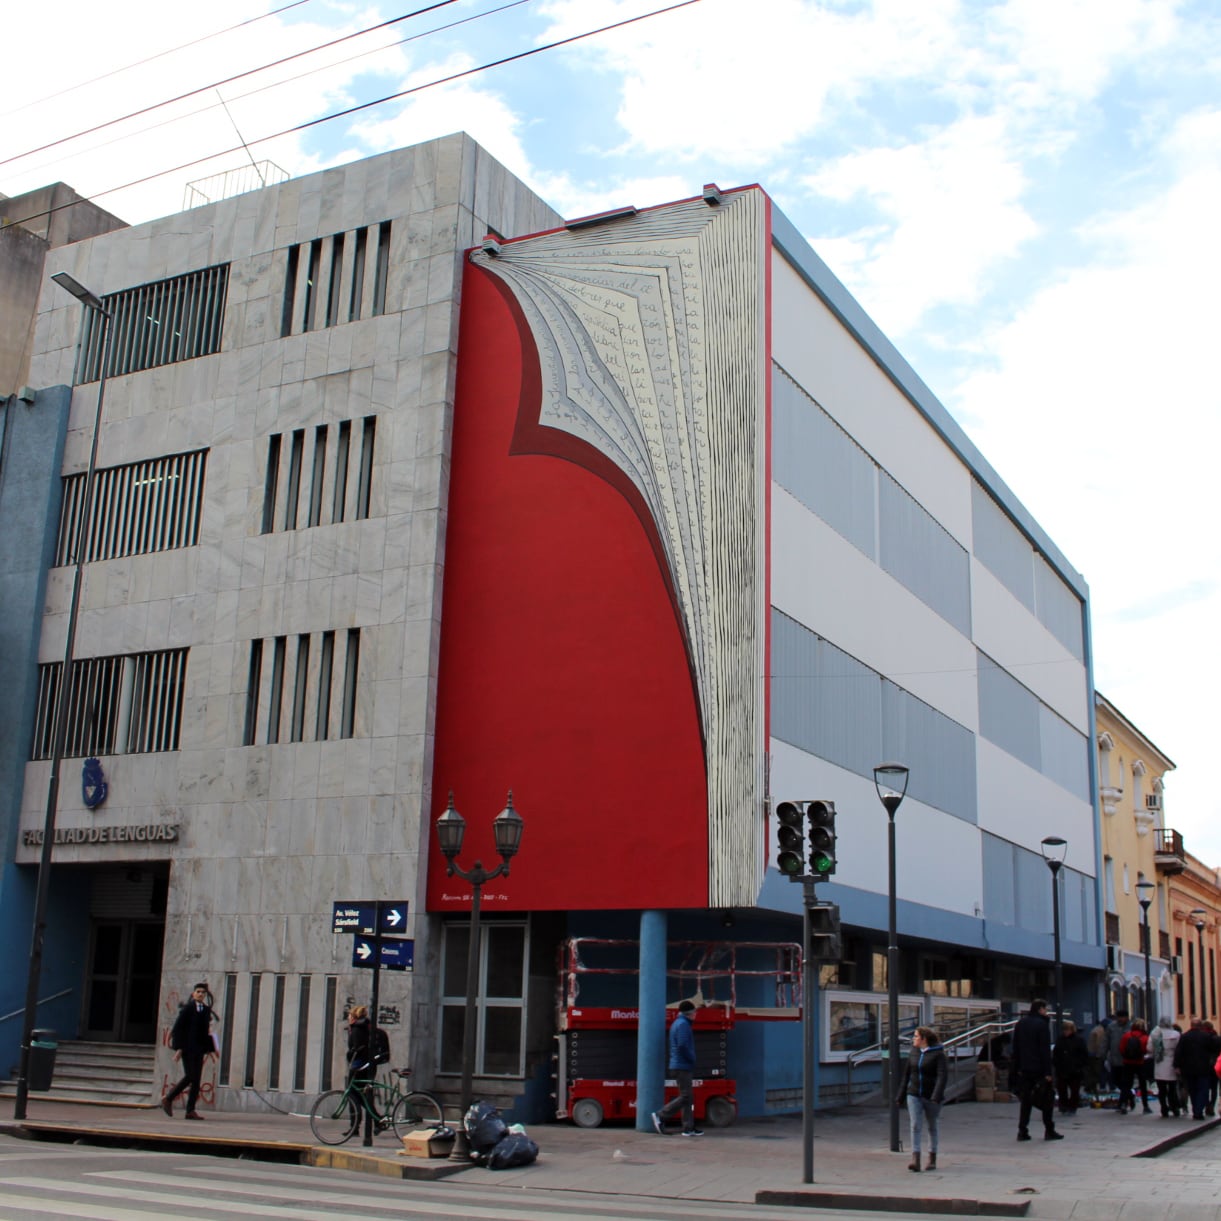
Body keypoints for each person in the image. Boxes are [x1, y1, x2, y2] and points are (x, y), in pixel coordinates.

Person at [162, 982, 217, 1120]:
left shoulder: (205, 1010)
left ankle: (190, 1110)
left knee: (196, 1080)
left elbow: (207, 1031)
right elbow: (178, 1028)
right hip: (187, 1048)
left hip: (199, 1049)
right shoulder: (187, 1009)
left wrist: (211, 1049)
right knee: (190, 1076)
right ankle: (168, 1098)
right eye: (198, 992)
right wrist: (178, 1048)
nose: (200, 994)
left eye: (203, 993)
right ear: (193, 993)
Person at [895, 1026, 947, 1171]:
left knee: (932, 1125)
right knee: (915, 1125)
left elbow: (942, 1076)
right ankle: (915, 1159)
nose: (914, 1039)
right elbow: (907, 1075)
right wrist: (901, 1095)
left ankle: (932, 1158)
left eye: (916, 1036)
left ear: (924, 1039)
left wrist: (936, 1096)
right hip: (914, 1093)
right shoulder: (914, 1052)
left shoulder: (938, 1054)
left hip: (931, 1096)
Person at [1011, 999, 1062, 1141]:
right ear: (1040, 1009)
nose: (1046, 1012)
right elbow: (1044, 1050)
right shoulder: (1042, 1024)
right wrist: (1048, 1072)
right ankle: (1049, 1130)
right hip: (1039, 1069)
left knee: (1026, 1101)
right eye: (1045, 1009)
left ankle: (1022, 1130)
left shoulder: (1020, 1023)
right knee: (1047, 1099)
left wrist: (1017, 1068)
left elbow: (1016, 1048)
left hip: (1024, 1068)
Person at [652, 1000, 701, 1136]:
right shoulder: (683, 1025)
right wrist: (692, 1058)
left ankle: (688, 1127)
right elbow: (683, 1045)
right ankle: (660, 1115)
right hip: (682, 1066)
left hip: (679, 1065)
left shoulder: (678, 1023)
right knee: (686, 1096)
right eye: (695, 1012)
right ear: (690, 1013)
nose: (696, 1014)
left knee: (688, 1097)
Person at [1173, 1019, 1218, 1120]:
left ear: (1191, 1025)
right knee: (1203, 1089)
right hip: (1203, 1068)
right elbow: (1213, 1049)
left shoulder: (1185, 1037)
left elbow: (1178, 1052)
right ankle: (1198, 1110)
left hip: (1188, 1069)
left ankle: (1195, 1108)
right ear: (1200, 1026)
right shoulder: (1206, 1037)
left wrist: (1177, 1065)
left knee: (1192, 1090)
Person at [346, 1004, 379, 1120]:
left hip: (359, 1065)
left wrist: (349, 1055)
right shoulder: (366, 1027)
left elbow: (357, 1047)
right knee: (362, 1095)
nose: (348, 1018)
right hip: (369, 1064)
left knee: (351, 1093)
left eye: (349, 1015)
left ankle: (355, 1124)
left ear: (354, 1016)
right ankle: (377, 1120)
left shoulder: (356, 1028)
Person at [1052, 1020, 1088, 1114]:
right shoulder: (1060, 1040)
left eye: (1067, 1030)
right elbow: (1056, 1053)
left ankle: (1072, 1107)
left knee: (1074, 1090)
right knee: (1062, 1089)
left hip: (1075, 1070)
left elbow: (1084, 1055)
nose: (1065, 1032)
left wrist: (1079, 1065)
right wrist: (1056, 1064)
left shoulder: (1079, 1040)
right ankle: (1063, 1105)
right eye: (1064, 1030)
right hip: (1062, 1069)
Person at [1118, 1018, 1152, 1113]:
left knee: (1126, 1084)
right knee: (1143, 1085)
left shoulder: (1126, 1035)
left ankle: (1124, 1104)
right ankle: (1145, 1106)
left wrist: (1125, 1056)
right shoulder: (1145, 1037)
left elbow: (1121, 1048)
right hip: (1140, 1063)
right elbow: (1147, 1050)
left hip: (1127, 1062)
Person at [1150, 1017, 1182, 1118]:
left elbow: (1149, 1048)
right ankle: (1174, 1106)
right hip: (1171, 1062)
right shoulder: (1175, 1034)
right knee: (1172, 1088)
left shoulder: (1155, 1033)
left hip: (1159, 1062)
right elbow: (1179, 1048)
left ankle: (1164, 1108)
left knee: (1161, 1089)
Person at [1106, 1010, 1132, 1112]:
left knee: (1125, 1082)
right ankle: (1129, 1095)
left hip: (1127, 1059)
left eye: (1122, 1017)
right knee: (1116, 1080)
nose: (1120, 1019)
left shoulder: (1131, 1027)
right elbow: (1106, 1040)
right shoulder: (1111, 1027)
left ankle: (1123, 1103)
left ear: (1126, 1017)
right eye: (1119, 1017)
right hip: (1114, 1058)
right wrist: (1102, 1054)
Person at [1085, 1019, 1110, 1099]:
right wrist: (1100, 1055)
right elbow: (1100, 1044)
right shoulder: (1101, 1031)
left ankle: (1090, 1087)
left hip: (1091, 1053)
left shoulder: (1096, 1029)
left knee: (1092, 1072)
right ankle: (1092, 1087)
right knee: (1097, 1072)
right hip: (1096, 1055)